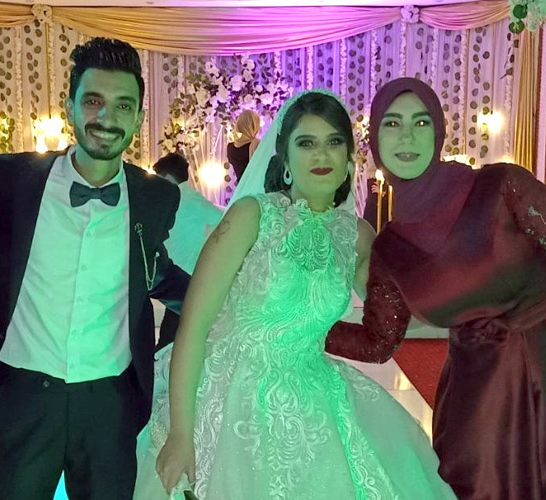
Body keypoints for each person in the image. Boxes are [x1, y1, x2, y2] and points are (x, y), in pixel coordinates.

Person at [134, 90, 455, 499]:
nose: (321, 154)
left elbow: (409, 312)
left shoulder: (357, 237)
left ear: (348, 159)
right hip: (226, 393)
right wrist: (181, 433)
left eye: (333, 142)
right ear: (285, 159)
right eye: (306, 143)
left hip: (312, 396)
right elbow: (194, 328)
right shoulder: (253, 216)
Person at [0, 37, 190, 500]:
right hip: (23, 394)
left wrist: (222, 306)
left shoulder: (156, 197)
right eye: (93, 101)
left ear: (138, 118)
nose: (107, 117)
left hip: (109, 403)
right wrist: (3, 300)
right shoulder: (12, 178)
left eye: (123, 105)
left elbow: (155, 271)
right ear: (69, 106)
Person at [325, 77, 546, 500]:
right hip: (478, 402)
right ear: (374, 139)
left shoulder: (500, 187)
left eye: (421, 122)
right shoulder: (391, 250)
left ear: (438, 132)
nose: (407, 136)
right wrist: (306, 326)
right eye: (392, 123)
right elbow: (378, 341)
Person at [152, 152, 224, 351]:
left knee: (172, 335)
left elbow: (225, 220)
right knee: (172, 334)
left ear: (168, 178)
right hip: (177, 275)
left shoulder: (189, 200)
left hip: (184, 276)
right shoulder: (182, 199)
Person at [226, 110, 261, 182]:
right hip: (255, 186)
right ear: (253, 126)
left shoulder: (230, 147)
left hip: (240, 187)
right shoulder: (257, 145)